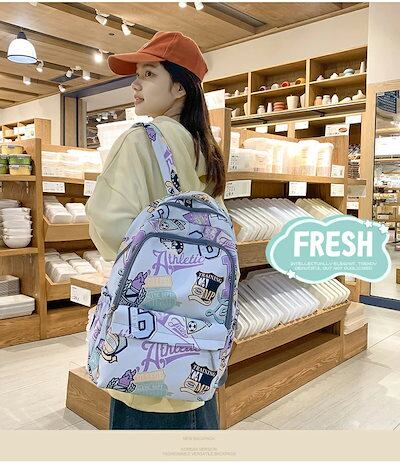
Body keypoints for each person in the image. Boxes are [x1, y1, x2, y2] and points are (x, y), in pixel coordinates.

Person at [85, 31, 227, 430]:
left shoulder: (140, 141)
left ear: (179, 87)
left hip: (144, 339)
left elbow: (110, 226)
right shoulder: (206, 149)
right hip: (199, 336)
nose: (135, 84)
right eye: (137, 75)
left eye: (148, 74)